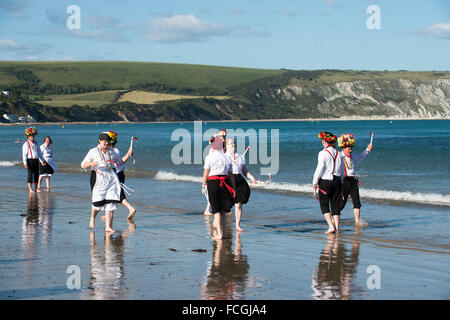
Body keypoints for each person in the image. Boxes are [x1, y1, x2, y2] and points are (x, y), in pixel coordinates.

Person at [81, 132, 121, 233]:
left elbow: (119, 162)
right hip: (98, 177)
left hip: (111, 177)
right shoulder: (93, 151)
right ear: (99, 141)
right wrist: (91, 163)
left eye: (107, 141)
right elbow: (83, 164)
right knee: (98, 203)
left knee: (111, 202)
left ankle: (108, 227)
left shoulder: (112, 151)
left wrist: (128, 155)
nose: (106, 143)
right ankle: (92, 218)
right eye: (104, 141)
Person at [202, 133, 236, 240]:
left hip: (213, 182)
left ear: (213, 147)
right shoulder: (227, 157)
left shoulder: (209, 157)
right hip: (225, 182)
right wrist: (233, 186)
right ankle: (223, 233)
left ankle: (219, 234)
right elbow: (230, 174)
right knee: (223, 211)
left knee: (216, 210)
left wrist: (203, 185)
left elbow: (206, 174)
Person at [313, 131, 344, 234]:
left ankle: (331, 226)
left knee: (324, 204)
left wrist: (315, 182)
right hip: (337, 181)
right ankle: (337, 228)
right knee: (335, 205)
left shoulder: (322, 153)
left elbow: (320, 168)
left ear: (325, 142)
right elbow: (342, 170)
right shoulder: (339, 154)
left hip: (325, 182)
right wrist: (341, 182)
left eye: (322, 140)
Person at [337, 133, 372, 224]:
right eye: (349, 148)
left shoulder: (352, 156)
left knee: (357, 202)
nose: (351, 150)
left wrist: (368, 149)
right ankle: (334, 219)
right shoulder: (339, 157)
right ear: (343, 148)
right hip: (343, 181)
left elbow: (361, 156)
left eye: (352, 148)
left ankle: (357, 221)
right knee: (341, 203)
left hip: (353, 181)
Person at [225, 138, 256, 231]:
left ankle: (237, 225)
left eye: (234, 143)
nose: (233, 144)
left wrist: (252, 177)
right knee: (226, 205)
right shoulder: (224, 156)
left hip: (239, 179)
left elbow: (244, 171)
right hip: (229, 180)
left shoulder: (240, 157)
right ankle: (220, 221)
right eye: (231, 143)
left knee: (238, 204)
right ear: (226, 146)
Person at [106, 131, 136, 221]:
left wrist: (128, 154)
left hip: (117, 175)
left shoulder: (112, 151)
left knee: (118, 195)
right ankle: (108, 213)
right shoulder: (116, 150)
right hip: (119, 174)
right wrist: (128, 153)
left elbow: (121, 162)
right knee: (112, 195)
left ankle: (131, 208)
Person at [204, 129, 228, 216]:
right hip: (213, 172)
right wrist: (218, 133)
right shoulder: (213, 146)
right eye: (222, 137)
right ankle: (207, 210)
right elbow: (210, 140)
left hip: (221, 172)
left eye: (224, 137)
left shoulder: (223, 146)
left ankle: (224, 209)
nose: (224, 138)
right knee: (213, 195)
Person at [22, 127, 46, 193]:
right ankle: (30, 189)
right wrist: (25, 163)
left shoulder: (36, 143)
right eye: (31, 136)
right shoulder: (26, 144)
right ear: (28, 137)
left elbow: (40, 153)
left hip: (36, 160)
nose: (33, 137)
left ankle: (36, 188)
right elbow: (24, 155)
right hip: (30, 161)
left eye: (33, 136)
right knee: (30, 175)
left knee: (36, 174)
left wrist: (42, 161)